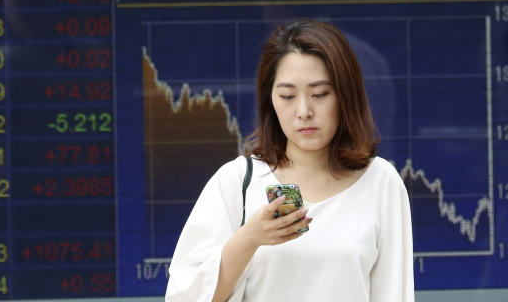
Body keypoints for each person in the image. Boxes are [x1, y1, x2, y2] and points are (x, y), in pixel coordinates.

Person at [166, 19, 415, 302]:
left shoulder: (381, 182)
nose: (304, 111)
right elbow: (184, 297)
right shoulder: (237, 182)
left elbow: (395, 293)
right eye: (287, 96)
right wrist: (249, 239)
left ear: (346, 96)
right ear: (270, 99)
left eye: (320, 94)